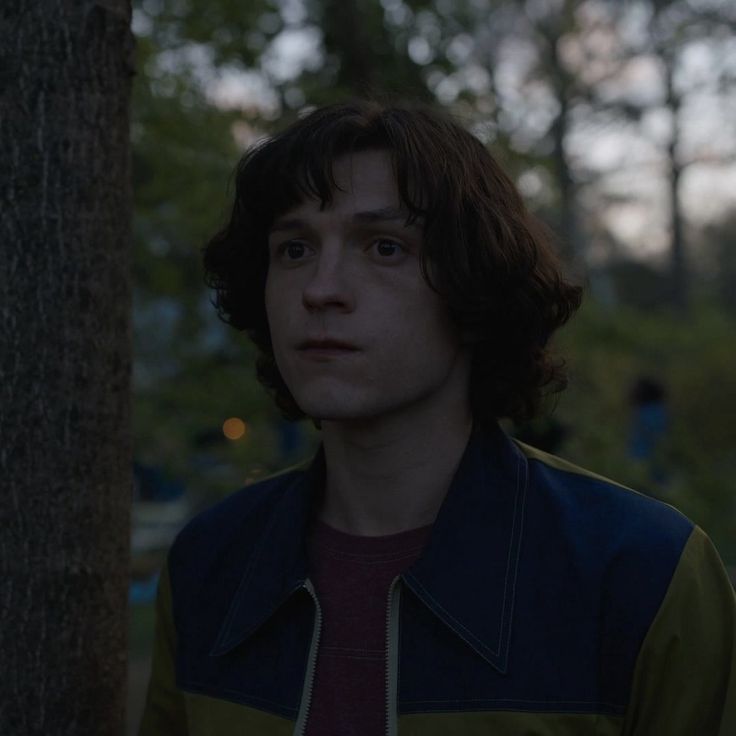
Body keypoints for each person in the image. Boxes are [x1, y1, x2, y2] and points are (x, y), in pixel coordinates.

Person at [139, 101, 736, 735]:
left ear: (473, 285)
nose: (321, 287)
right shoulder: (210, 566)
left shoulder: (642, 572)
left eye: (385, 246)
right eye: (294, 249)